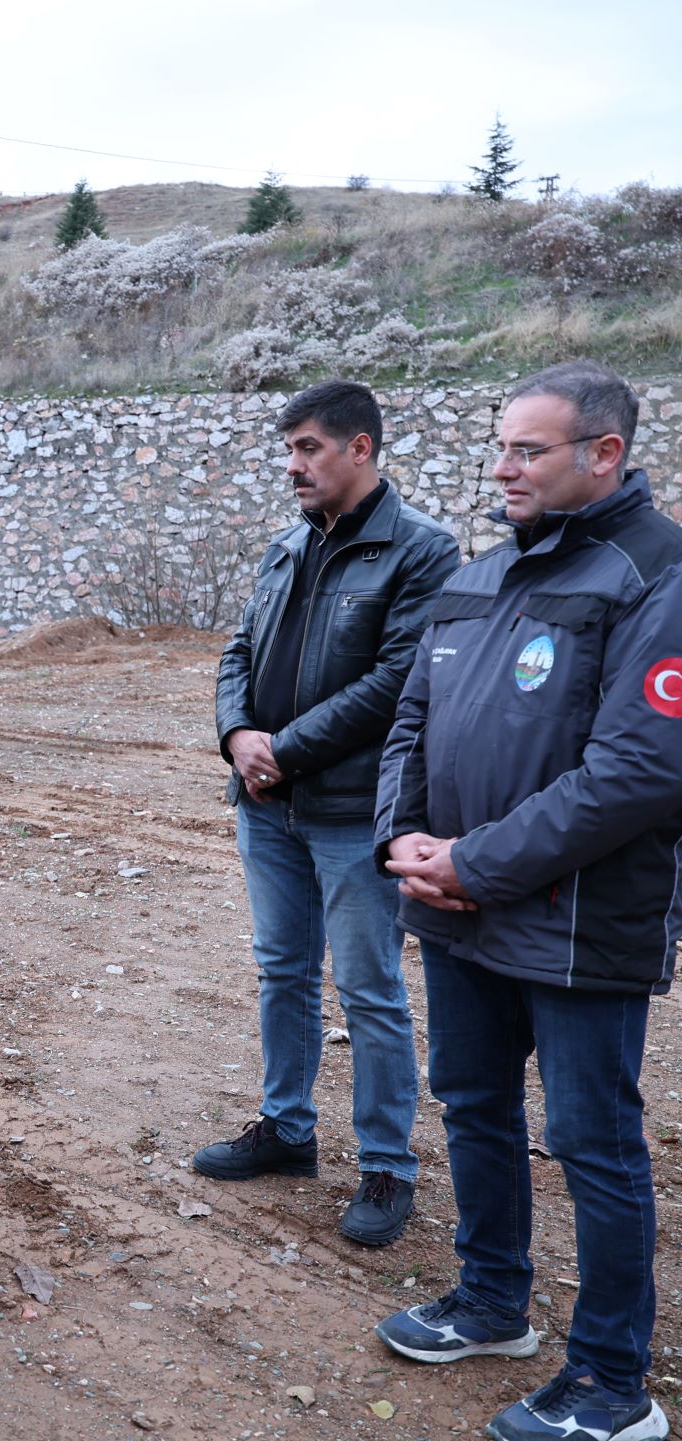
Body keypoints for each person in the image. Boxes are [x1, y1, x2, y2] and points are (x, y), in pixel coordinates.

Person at [373, 360, 682, 1441]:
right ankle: (492, 1300)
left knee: (593, 1141)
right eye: (499, 447)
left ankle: (612, 1385)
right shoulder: (481, 574)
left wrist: (476, 861)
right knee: (472, 1100)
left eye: (527, 450)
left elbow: (639, 772)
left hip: (579, 917)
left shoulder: (658, 574)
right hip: (459, 903)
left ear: (605, 453)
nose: (502, 467)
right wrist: (401, 838)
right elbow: (412, 720)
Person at [200, 379, 459, 1245]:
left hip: (352, 811)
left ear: (360, 447)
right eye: (289, 449)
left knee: (370, 988)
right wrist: (237, 734)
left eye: (308, 447)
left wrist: (285, 747)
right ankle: (288, 1129)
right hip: (266, 805)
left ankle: (388, 1165)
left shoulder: (423, 549)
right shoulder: (286, 544)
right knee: (282, 971)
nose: (293, 465)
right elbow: (238, 649)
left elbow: (398, 681)